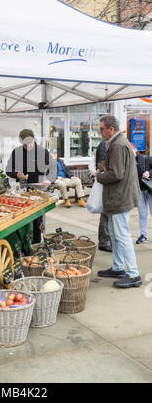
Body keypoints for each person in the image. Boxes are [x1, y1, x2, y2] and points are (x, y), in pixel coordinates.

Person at [96, 115, 142, 288]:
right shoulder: (120, 142)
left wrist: (99, 176)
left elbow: (116, 174)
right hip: (120, 195)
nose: (100, 132)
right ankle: (117, 268)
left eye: (102, 129)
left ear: (111, 129)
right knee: (116, 234)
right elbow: (119, 170)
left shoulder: (116, 145)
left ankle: (133, 274)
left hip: (119, 197)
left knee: (122, 235)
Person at [5, 129, 57, 243]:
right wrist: (16, 174)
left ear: (34, 139)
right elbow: (8, 169)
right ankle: (23, 244)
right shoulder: (16, 152)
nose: (27, 146)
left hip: (39, 191)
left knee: (37, 220)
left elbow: (53, 168)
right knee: (21, 219)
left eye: (29, 143)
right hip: (22, 192)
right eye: (24, 144)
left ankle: (37, 243)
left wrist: (49, 179)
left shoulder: (42, 152)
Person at [130, 143, 152, 244]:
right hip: (139, 191)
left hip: (150, 190)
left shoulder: (146, 158)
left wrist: (149, 173)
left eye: (131, 149)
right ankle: (143, 235)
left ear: (135, 149)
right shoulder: (128, 162)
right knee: (142, 214)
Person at [96, 139, 112, 253]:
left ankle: (106, 240)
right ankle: (104, 241)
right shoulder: (104, 144)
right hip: (107, 182)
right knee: (106, 213)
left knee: (107, 213)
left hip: (108, 181)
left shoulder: (109, 143)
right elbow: (101, 164)